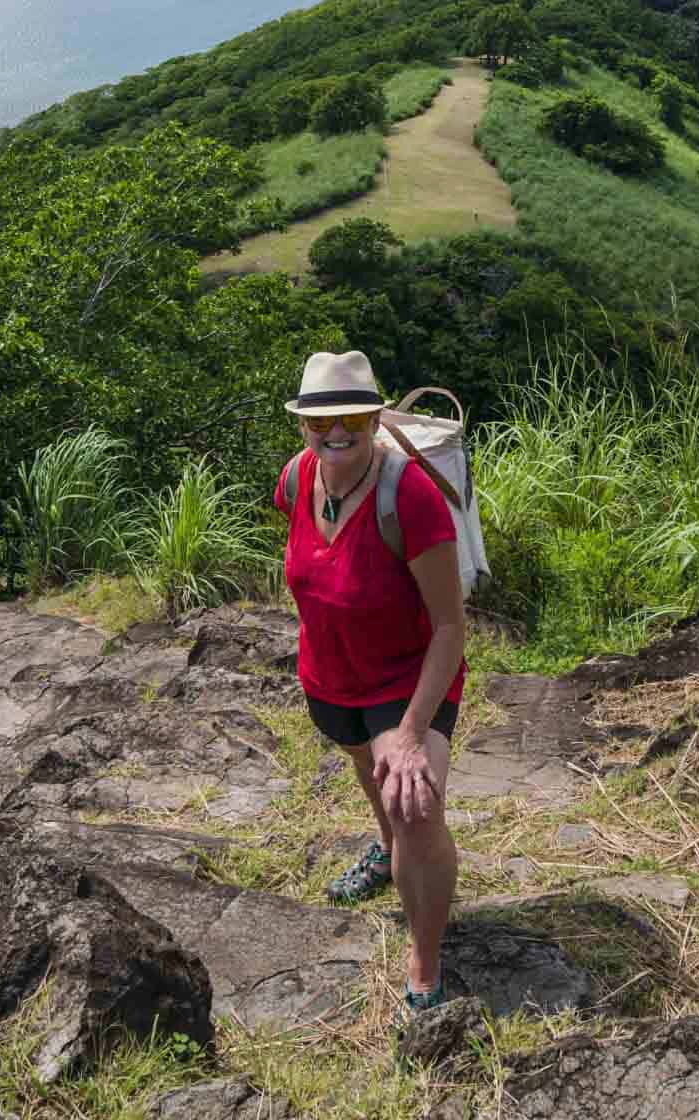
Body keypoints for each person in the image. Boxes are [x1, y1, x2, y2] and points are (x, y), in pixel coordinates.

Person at [275, 349, 465, 1014]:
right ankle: (384, 855)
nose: (335, 432)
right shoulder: (298, 478)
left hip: (403, 680)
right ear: (300, 423)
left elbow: (449, 627)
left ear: (375, 417)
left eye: (353, 416)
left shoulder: (409, 497)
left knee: (413, 803)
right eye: (318, 419)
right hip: (330, 676)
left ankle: (424, 963)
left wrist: (413, 732)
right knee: (366, 767)